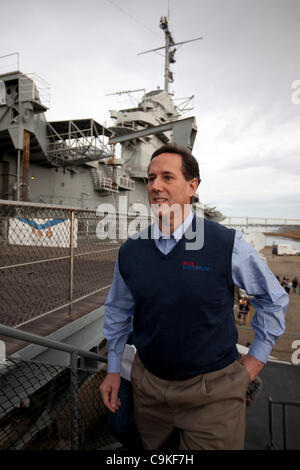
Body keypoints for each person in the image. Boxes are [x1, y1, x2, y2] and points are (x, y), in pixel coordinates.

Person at [99, 144, 289, 450]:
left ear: (192, 186)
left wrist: (254, 361)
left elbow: (272, 298)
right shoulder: (131, 252)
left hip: (213, 395)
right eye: (150, 178)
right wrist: (112, 371)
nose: (155, 186)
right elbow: (118, 313)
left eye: (166, 177)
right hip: (150, 390)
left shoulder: (226, 243)